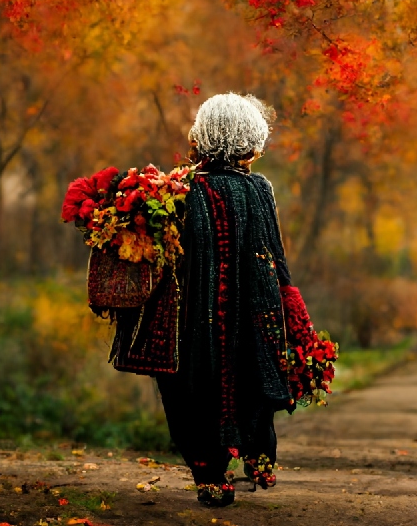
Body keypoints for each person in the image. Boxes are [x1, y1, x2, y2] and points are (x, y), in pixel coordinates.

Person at [111, 93, 296, 507]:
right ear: (249, 139)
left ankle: (210, 477)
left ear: (203, 136)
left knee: (189, 394)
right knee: (254, 380)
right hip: (253, 314)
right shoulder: (259, 189)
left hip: (194, 321)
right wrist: (289, 303)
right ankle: (259, 456)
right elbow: (275, 254)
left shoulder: (180, 190)